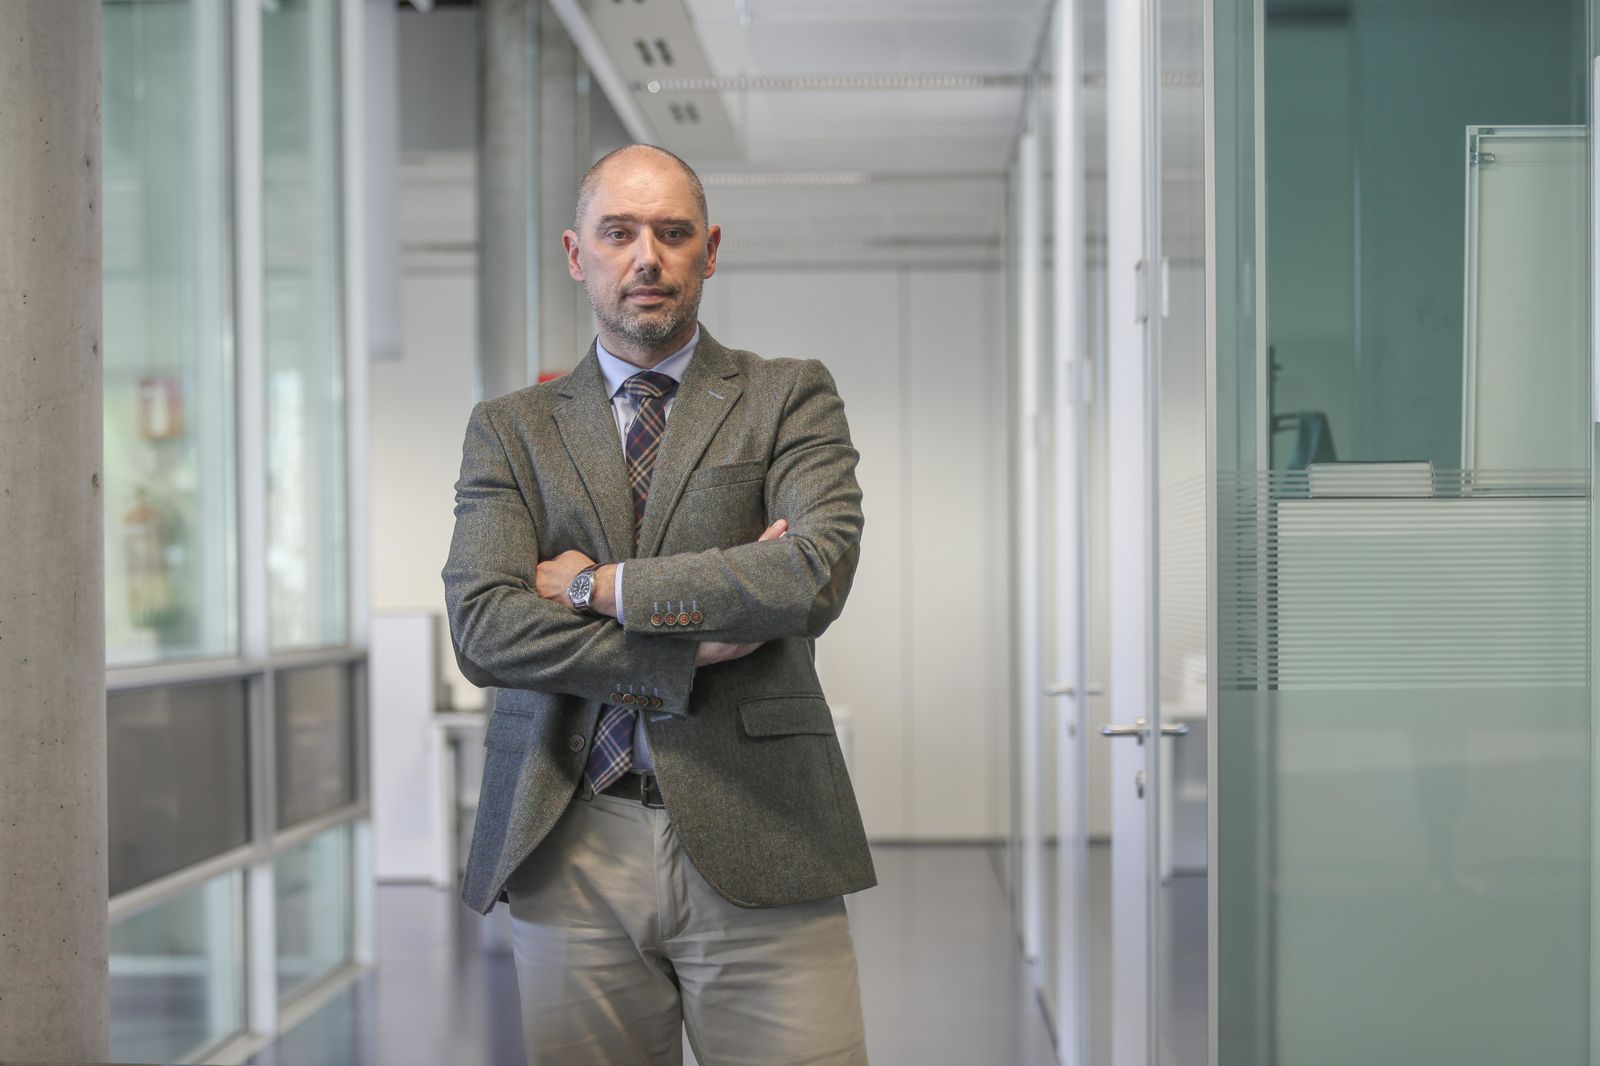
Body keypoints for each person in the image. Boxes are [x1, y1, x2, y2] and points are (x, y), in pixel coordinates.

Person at [442, 143, 875, 1066]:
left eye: (673, 234)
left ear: (709, 250)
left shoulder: (787, 396)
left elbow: (809, 575)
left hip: (764, 826)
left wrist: (597, 587)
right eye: (620, 233)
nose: (648, 257)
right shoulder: (511, 429)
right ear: (576, 253)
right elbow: (483, 628)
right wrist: (682, 648)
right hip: (571, 837)